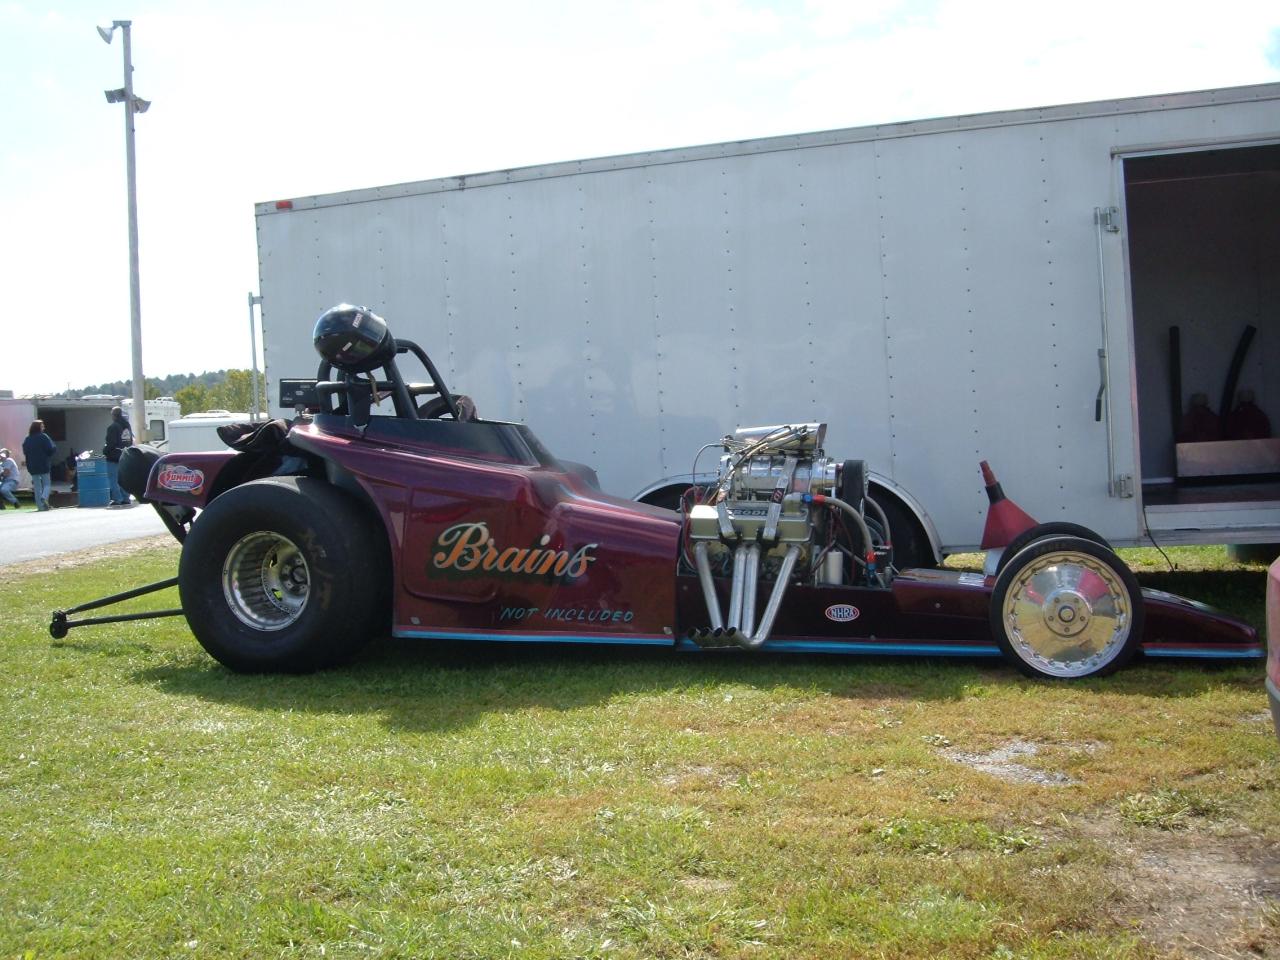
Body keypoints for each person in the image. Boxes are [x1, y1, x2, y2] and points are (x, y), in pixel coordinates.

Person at [22, 420, 57, 511]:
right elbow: (50, 449)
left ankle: (40, 506)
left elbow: (25, 452)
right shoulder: (44, 437)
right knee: (47, 484)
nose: (43, 427)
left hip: (32, 465)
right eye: (42, 426)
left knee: (37, 487)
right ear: (38, 427)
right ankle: (44, 497)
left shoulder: (27, 439)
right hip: (43, 464)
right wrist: (52, 451)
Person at [104, 406, 134, 506]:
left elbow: (111, 443)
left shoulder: (113, 427)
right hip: (125, 456)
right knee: (123, 479)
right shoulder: (127, 426)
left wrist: (105, 451)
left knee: (113, 479)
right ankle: (126, 498)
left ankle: (117, 499)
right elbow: (130, 441)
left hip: (113, 457)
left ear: (113, 415)